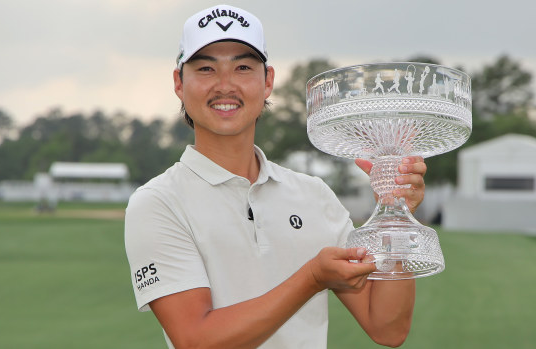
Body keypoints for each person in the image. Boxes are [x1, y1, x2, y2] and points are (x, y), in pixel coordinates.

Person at [124, 4, 427, 349]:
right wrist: (311, 278)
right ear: (179, 82)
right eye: (206, 68)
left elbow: (387, 328)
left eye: (242, 68)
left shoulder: (313, 195)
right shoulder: (158, 202)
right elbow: (195, 340)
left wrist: (396, 216)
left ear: (267, 81)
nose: (225, 85)